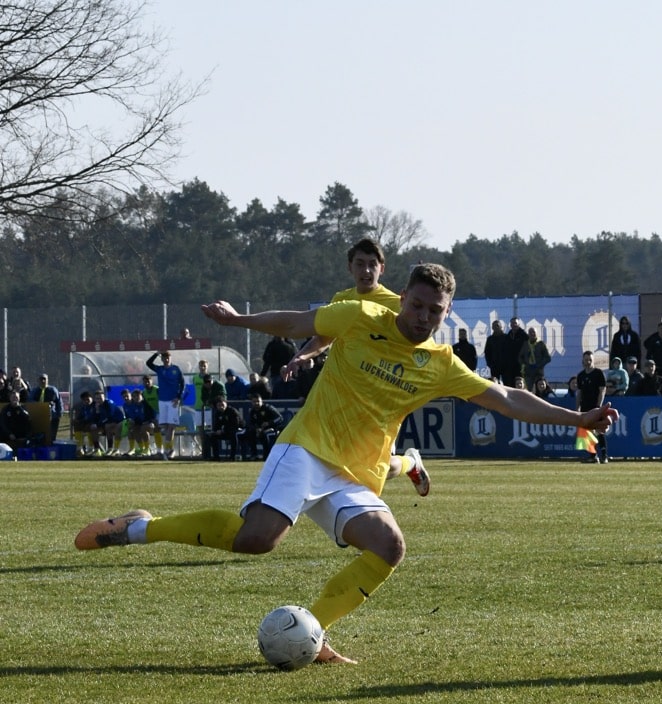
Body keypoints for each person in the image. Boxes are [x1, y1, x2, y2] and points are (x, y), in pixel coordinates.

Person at [75, 262, 618, 665]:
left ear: (445, 315)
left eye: (436, 311)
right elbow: (296, 322)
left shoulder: (440, 363)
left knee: (389, 546)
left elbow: (505, 398)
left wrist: (577, 418)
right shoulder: (360, 317)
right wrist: (240, 318)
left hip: (354, 473)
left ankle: (315, 632)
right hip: (307, 447)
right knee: (256, 539)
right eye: (418, 305)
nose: (424, 317)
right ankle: (139, 527)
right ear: (401, 298)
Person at [283, 238, 432, 498]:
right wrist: (302, 356)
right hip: (345, 396)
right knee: (333, 460)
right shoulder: (342, 299)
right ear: (349, 267)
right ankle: (341, 512)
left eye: (372, 265)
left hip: (381, 399)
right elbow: (324, 336)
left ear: (382, 268)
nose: (366, 271)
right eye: (360, 264)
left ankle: (410, 463)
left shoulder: (395, 303)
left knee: (379, 469)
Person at [145, 350, 185, 459]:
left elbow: (182, 383)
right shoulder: (160, 369)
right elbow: (148, 363)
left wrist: (178, 397)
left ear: (170, 358)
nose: (166, 359)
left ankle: (168, 450)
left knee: (171, 426)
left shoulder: (176, 369)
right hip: (162, 401)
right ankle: (168, 449)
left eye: (168, 357)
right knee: (165, 426)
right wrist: (157, 353)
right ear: (162, 359)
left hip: (172, 401)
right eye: (164, 358)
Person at [575, 351, 609, 463]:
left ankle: (604, 455)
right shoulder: (580, 376)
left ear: (593, 360)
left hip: (596, 407)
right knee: (587, 432)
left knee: (599, 430)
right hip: (585, 407)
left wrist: (599, 406)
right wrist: (577, 408)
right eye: (586, 360)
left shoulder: (598, 373)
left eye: (590, 360)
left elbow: (602, 390)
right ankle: (593, 456)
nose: (588, 362)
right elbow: (579, 393)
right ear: (582, 361)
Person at [244, 392, 285, 460]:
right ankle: (254, 455)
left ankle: (266, 456)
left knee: (265, 434)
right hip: (260, 430)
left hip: (273, 429)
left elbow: (280, 418)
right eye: (254, 402)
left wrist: (269, 423)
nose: (256, 403)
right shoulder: (252, 411)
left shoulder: (268, 408)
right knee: (250, 433)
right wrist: (256, 429)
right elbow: (251, 423)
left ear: (261, 401)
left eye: (258, 401)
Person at [203, 397, 245, 461]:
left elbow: (235, 425)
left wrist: (223, 430)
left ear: (226, 404)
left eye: (222, 405)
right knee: (212, 436)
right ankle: (215, 457)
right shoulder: (218, 413)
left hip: (239, 430)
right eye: (219, 405)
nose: (221, 407)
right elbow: (217, 425)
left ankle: (232, 457)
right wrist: (216, 431)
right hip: (226, 431)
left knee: (233, 434)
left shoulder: (232, 411)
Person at [32, 373, 63, 440]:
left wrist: (59, 413)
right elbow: (30, 401)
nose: (43, 381)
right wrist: (40, 405)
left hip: (52, 415)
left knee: (51, 435)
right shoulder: (34, 391)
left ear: (47, 380)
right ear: (38, 381)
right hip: (38, 415)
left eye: (44, 379)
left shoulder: (53, 390)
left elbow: (59, 401)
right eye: (41, 379)